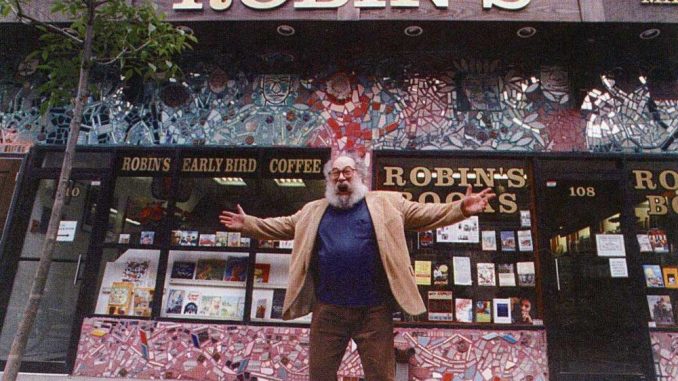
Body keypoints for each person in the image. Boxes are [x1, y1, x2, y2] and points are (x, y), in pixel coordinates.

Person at [219, 154, 495, 381]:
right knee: (320, 375)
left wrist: (461, 208)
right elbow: (279, 226)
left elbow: (425, 213)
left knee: (380, 376)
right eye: (335, 173)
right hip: (328, 310)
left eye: (348, 172)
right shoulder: (312, 210)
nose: (341, 177)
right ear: (328, 180)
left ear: (359, 176)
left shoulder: (387, 203)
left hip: (373, 311)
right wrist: (249, 225)